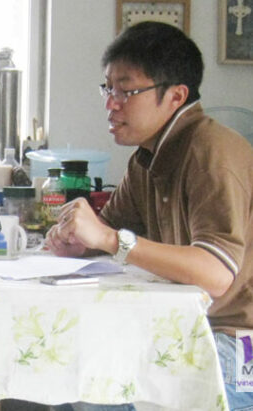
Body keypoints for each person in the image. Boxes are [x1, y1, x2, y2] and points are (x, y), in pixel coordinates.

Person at [46, 21, 253, 410]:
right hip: (188, 327)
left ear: (176, 96)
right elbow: (110, 231)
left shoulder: (211, 152)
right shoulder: (148, 157)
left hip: (240, 345)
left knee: (100, 389)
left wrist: (108, 240)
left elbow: (216, 273)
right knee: (71, 371)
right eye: (108, 88)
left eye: (125, 91)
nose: (111, 104)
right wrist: (79, 242)